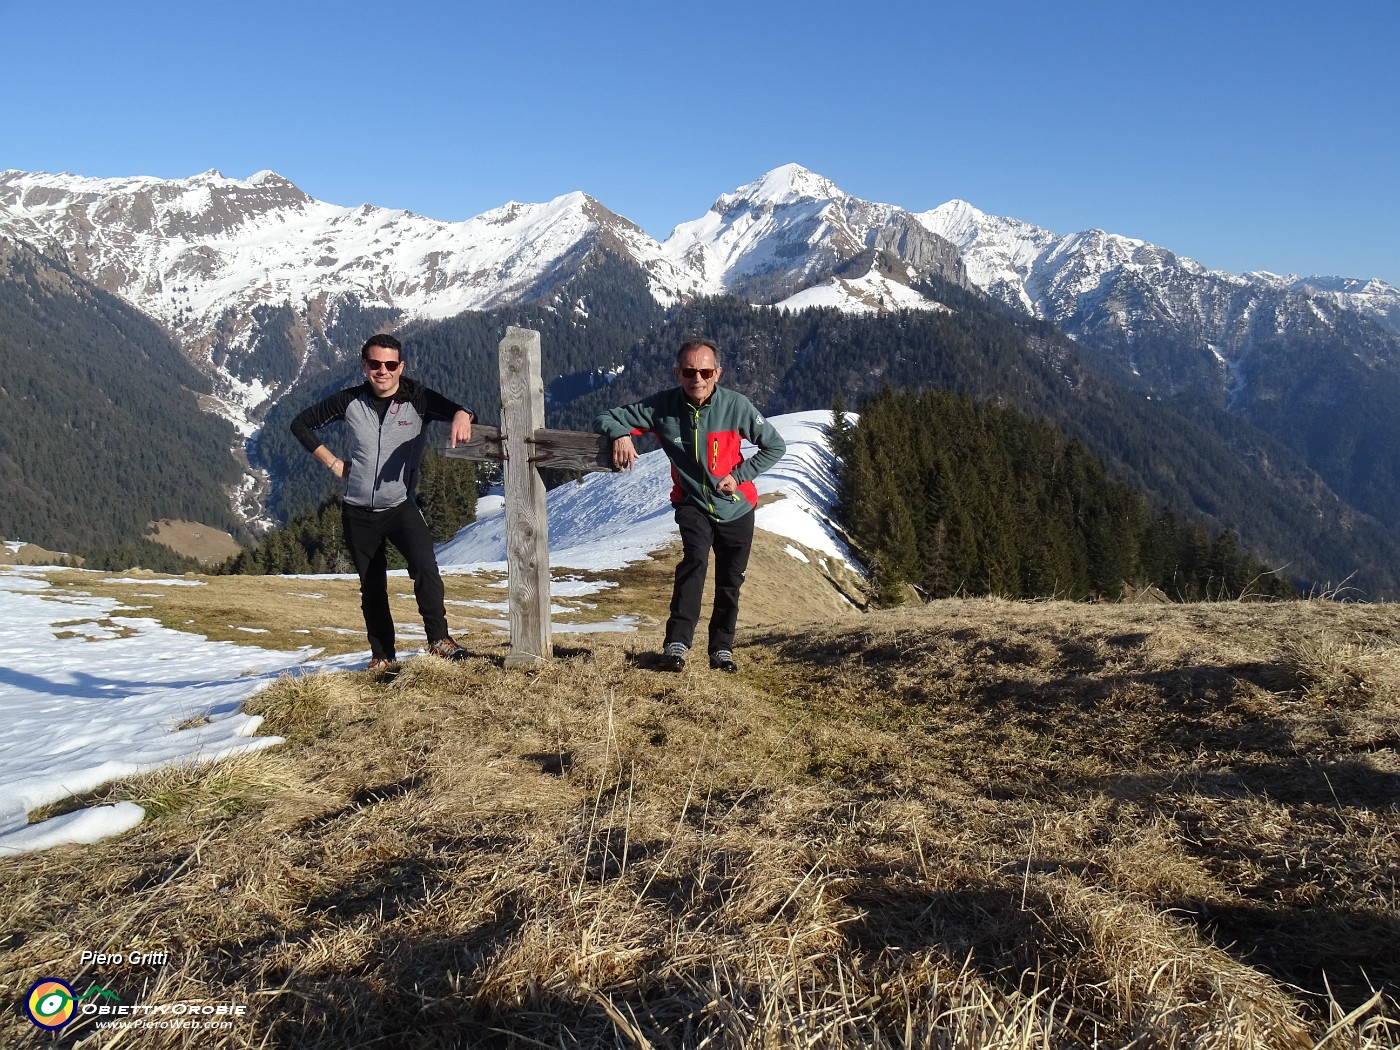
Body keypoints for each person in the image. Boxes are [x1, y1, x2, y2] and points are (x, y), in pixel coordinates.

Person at [595, 339, 786, 672]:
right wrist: (621, 434)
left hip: (737, 506)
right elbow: (606, 417)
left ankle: (721, 649)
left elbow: (774, 446)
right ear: (677, 373)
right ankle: (677, 644)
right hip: (692, 502)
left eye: (706, 371)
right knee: (694, 563)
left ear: (717, 373)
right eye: (689, 371)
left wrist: (739, 476)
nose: (698, 378)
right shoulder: (663, 407)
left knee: (731, 580)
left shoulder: (736, 406)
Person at [291, 334, 475, 670]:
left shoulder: (418, 398)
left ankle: (439, 640)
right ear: (364, 366)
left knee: (425, 568)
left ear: (400, 367)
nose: (383, 371)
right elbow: (300, 424)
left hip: (400, 506)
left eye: (390, 365)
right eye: (375, 364)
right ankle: (383, 656)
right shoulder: (350, 400)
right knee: (372, 587)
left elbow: (457, 409)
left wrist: (464, 414)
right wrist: (333, 463)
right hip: (357, 510)